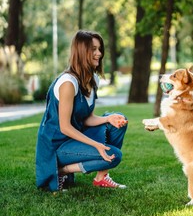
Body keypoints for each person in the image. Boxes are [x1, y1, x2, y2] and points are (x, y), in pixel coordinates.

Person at [36, 30, 128, 192]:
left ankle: (102, 177)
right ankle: (61, 170)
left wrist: (108, 119)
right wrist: (96, 145)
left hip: (75, 138)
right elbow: (64, 127)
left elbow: (86, 118)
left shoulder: (92, 79)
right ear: (81, 51)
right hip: (57, 146)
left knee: (118, 121)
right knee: (115, 155)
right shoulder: (68, 83)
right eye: (93, 49)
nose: (99, 54)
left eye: (99, 49)